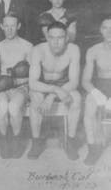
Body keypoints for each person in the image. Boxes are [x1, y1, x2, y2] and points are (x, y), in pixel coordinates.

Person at [28, 21, 81, 160]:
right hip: (43, 85)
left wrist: (52, 96)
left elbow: (74, 81)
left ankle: (70, 141)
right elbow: (33, 82)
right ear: (47, 37)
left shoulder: (73, 49)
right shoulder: (38, 50)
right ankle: (36, 141)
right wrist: (53, 90)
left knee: (77, 99)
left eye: (60, 38)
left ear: (67, 38)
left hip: (65, 85)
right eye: (52, 37)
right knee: (36, 99)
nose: (56, 42)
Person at [0, 12, 33, 159]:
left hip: (22, 87)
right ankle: (5, 142)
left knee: (13, 107)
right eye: (6, 26)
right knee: (2, 106)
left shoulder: (27, 46)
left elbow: (34, 74)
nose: (9, 29)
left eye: (13, 26)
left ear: (18, 26)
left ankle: (17, 141)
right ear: (1, 26)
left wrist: (18, 82)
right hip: (3, 86)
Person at [82, 17, 111, 165]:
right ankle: (93, 147)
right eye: (105, 27)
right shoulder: (93, 50)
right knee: (89, 106)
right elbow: (85, 80)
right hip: (101, 86)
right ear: (100, 30)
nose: (109, 31)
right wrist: (96, 93)